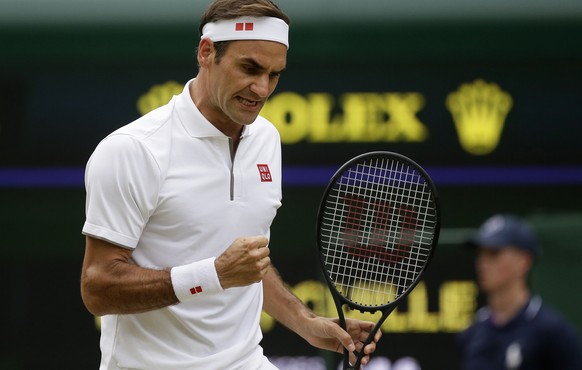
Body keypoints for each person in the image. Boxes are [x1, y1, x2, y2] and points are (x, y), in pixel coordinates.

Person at [79, 1, 381, 369]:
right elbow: (98, 287)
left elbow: (250, 264)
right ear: (207, 53)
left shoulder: (267, 139)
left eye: (274, 75)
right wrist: (215, 274)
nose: (262, 88)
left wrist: (307, 323)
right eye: (249, 68)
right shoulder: (133, 150)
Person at [457, 214, 582, 370]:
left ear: (524, 261)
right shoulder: (472, 333)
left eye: (494, 253)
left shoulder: (553, 334)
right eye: (480, 253)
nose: (483, 262)